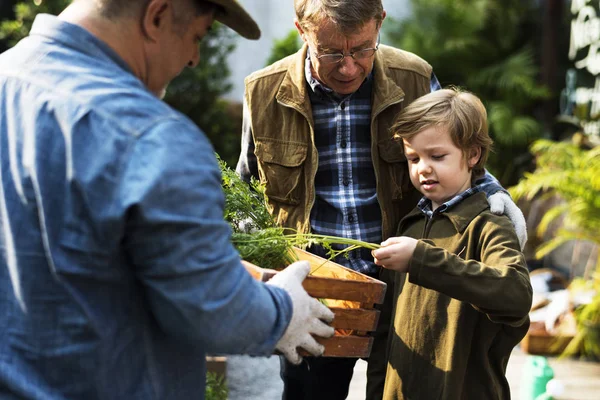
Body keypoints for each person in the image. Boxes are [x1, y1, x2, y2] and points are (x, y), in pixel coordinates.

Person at [0, 1, 336, 399]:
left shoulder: (9, 75)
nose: (194, 59)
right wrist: (284, 311)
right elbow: (214, 312)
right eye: (197, 37)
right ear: (156, 15)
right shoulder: (150, 136)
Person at [236, 1, 528, 399]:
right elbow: (246, 186)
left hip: (405, 286)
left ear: (380, 25)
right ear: (302, 31)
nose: (349, 67)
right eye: (332, 52)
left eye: (362, 49)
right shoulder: (263, 90)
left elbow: (452, 143)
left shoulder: (415, 76)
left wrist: (492, 190)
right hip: (322, 293)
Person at [372, 88, 533, 399]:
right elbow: (385, 337)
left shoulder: (489, 223)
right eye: (413, 158)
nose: (422, 168)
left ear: (472, 155)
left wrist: (421, 259)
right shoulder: (410, 226)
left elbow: (516, 294)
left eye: (437, 156)